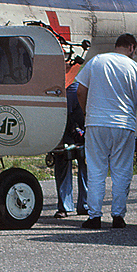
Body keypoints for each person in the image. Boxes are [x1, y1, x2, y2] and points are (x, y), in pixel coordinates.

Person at [75, 33, 137, 229]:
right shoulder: (136, 68)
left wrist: (88, 112)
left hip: (96, 122)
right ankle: (118, 216)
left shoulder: (97, 61)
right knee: (121, 170)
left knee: (96, 170)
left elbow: (80, 91)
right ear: (130, 47)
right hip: (124, 124)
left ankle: (94, 216)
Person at [53, 80, 87, 218]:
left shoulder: (76, 85)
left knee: (83, 163)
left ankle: (75, 205)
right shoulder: (73, 86)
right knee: (69, 161)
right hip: (67, 124)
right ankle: (79, 205)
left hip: (76, 123)